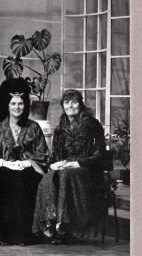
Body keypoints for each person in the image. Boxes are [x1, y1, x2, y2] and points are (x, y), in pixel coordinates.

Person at [32, 89, 107, 244]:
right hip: (66, 167)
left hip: (87, 169)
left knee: (66, 174)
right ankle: (51, 225)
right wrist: (53, 164)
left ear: (81, 104)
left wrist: (78, 163)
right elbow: (53, 156)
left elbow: (100, 156)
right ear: (62, 105)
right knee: (48, 178)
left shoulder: (93, 125)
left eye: (74, 102)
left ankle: (63, 226)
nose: (70, 106)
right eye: (67, 102)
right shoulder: (60, 128)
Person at [0, 78, 49, 246]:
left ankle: (23, 235)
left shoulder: (34, 127)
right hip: (5, 169)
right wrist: (4, 163)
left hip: (28, 170)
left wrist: (27, 163)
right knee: (8, 177)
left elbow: (42, 153)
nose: (17, 107)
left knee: (22, 179)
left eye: (20, 103)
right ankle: (6, 234)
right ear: (7, 105)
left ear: (25, 105)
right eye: (13, 103)